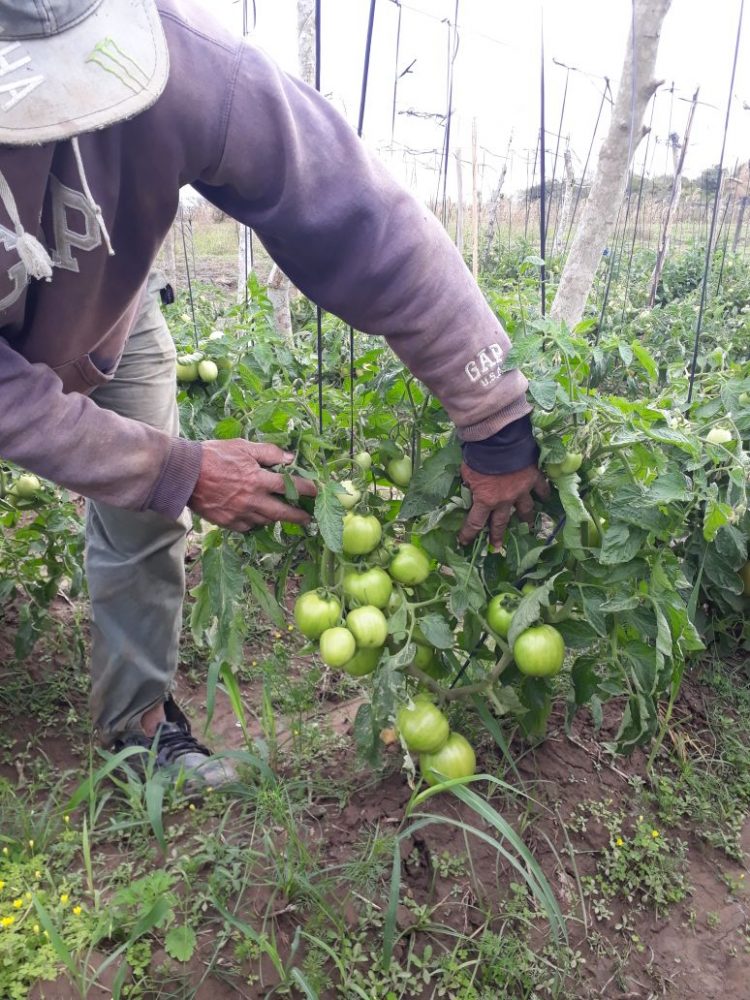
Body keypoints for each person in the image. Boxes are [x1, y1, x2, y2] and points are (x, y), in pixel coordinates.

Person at [0, 0, 547, 790]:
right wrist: (180, 467)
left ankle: (138, 726)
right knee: (157, 478)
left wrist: (494, 415)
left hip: (111, 305)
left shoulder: (186, 64)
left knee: (145, 515)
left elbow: (359, 215)